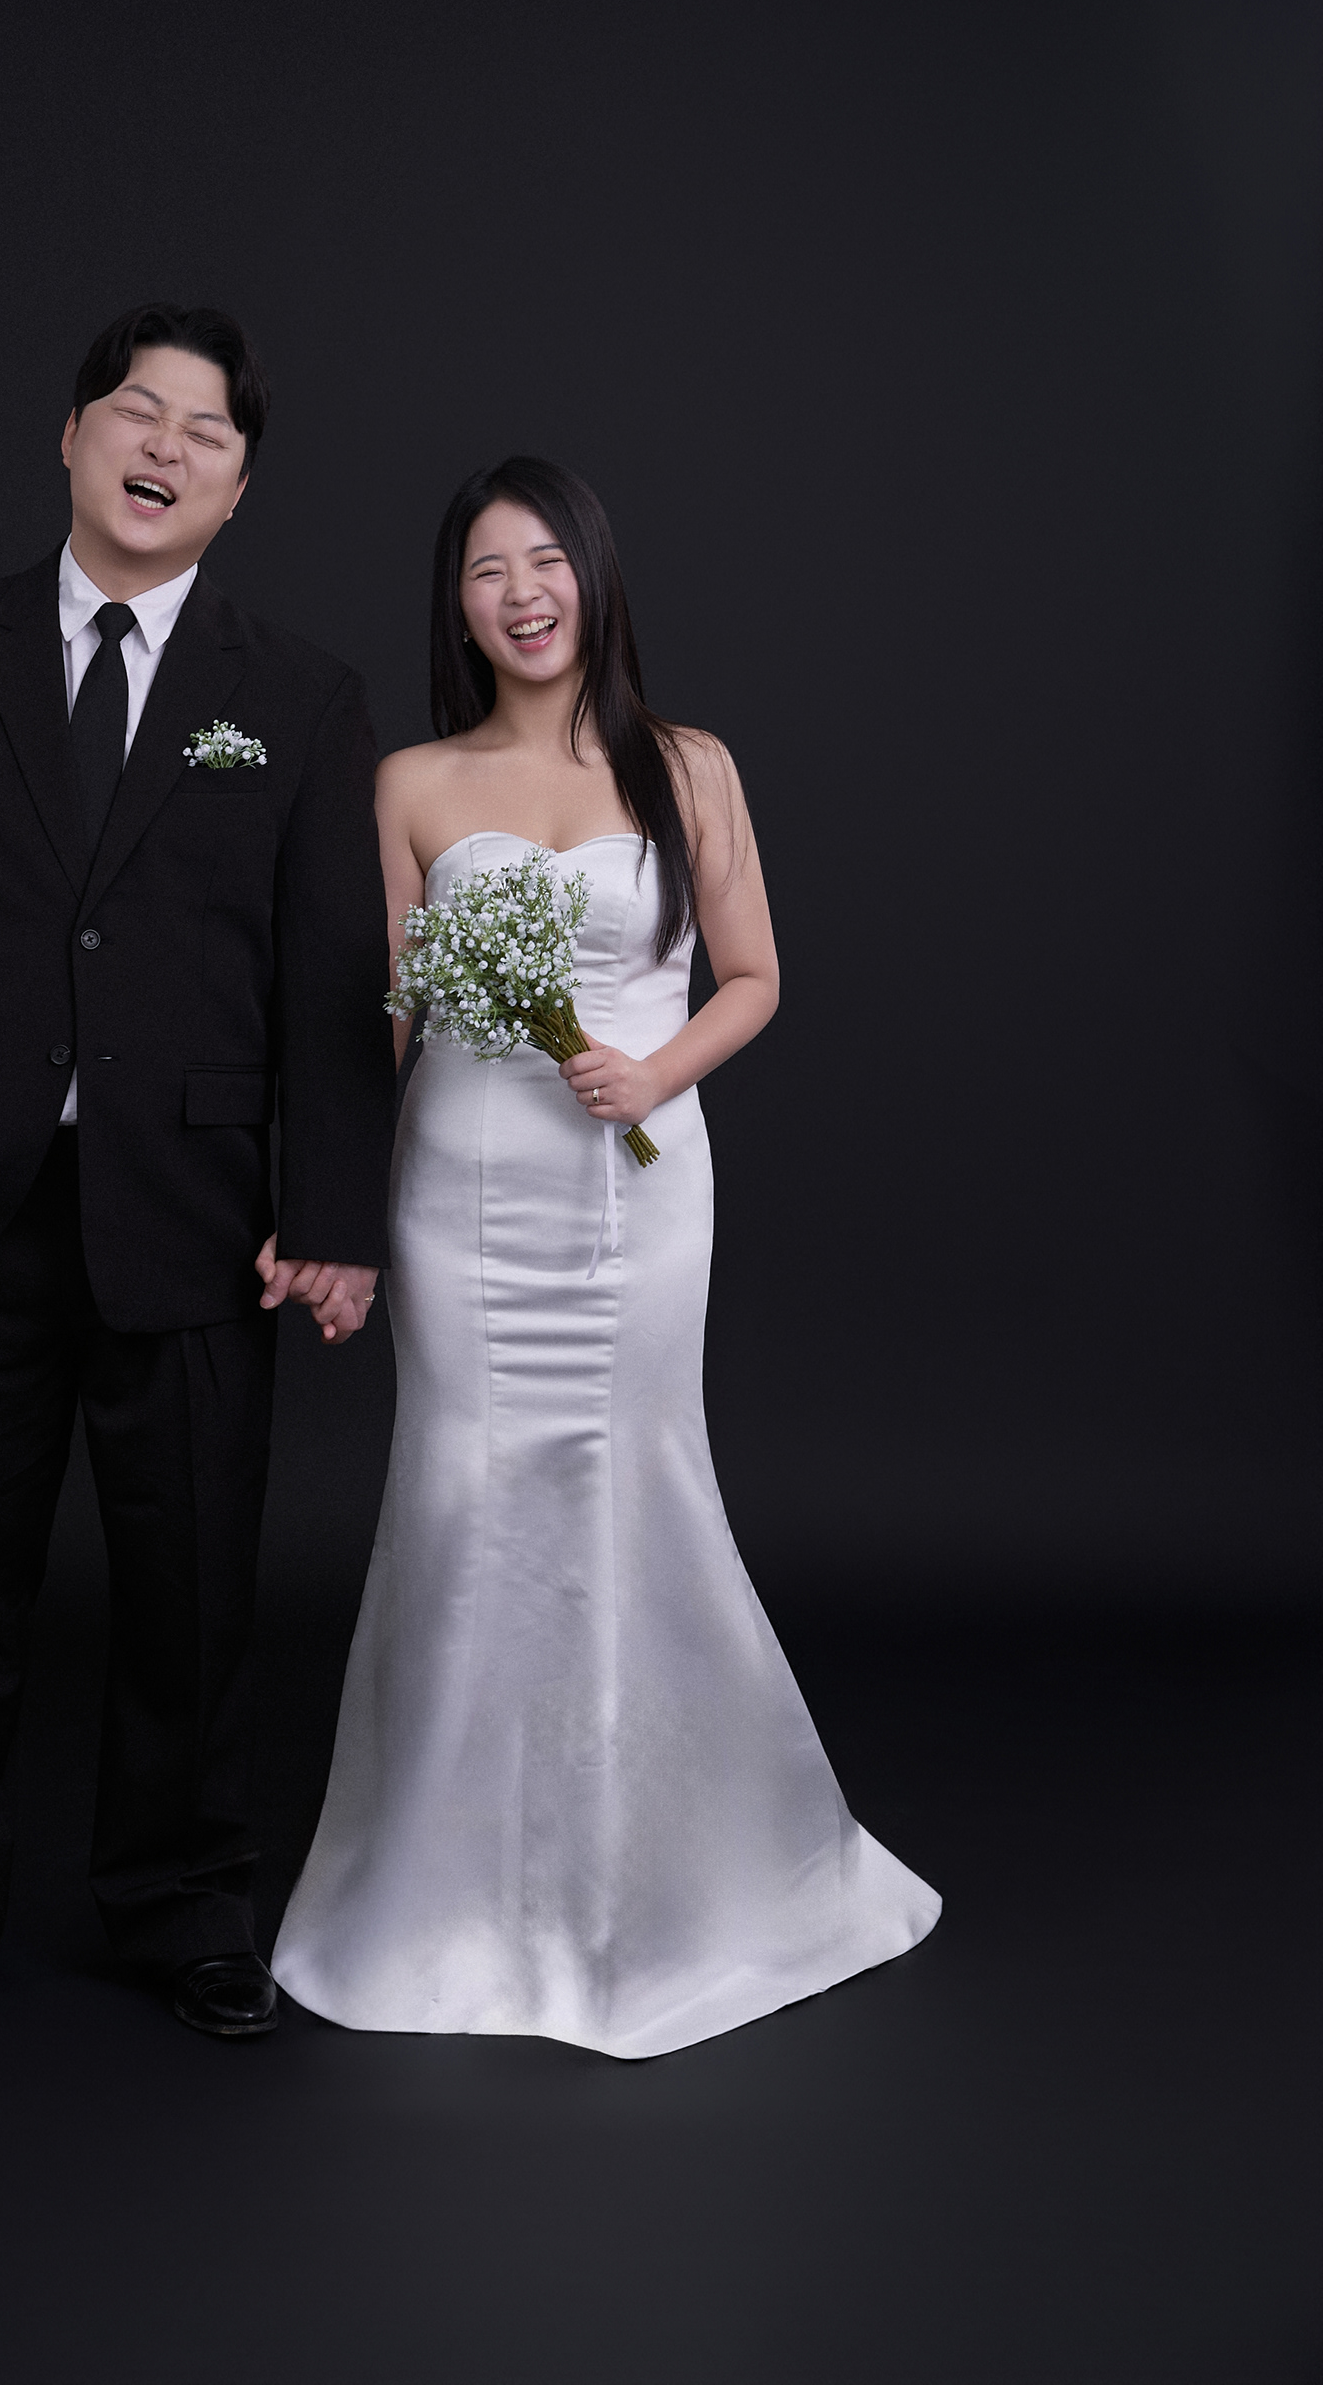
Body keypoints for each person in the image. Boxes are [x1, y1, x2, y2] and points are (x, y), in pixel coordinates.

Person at [272, 455, 940, 2059]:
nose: (522, 593)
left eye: (546, 560)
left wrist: (652, 1075)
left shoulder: (688, 763)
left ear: (593, 575)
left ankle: (658, 1881)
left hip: (638, 1191)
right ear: (458, 607)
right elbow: (380, 1020)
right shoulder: (409, 782)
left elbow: (754, 976)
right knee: (465, 1491)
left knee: (633, 1478)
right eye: (487, 570)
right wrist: (329, 1215)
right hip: (460, 1189)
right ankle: (448, 1894)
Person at [0, 301, 394, 2044]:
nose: (165, 448)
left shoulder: (299, 698)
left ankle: (184, 1902)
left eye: (206, 433)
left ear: (239, 489)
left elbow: (327, 980)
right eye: (138, 412)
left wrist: (334, 1214)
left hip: (198, 1221)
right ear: (71, 437)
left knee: (192, 1589)